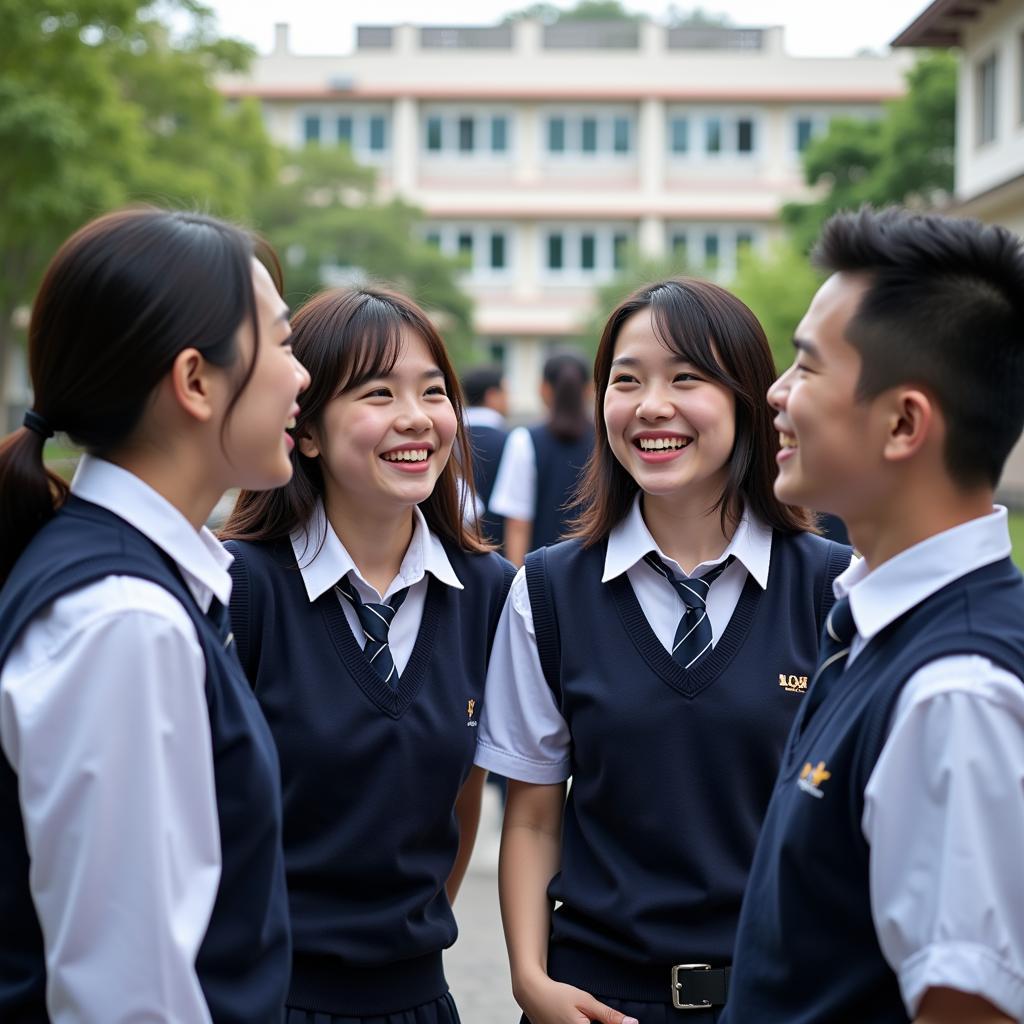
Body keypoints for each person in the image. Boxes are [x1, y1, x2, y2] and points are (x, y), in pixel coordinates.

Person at [476, 278, 852, 1024]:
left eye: (687, 377)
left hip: (777, 998)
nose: (651, 405)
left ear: (748, 398)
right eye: (626, 380)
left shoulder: (833, 590)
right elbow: (533, 814)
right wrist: (528, 979)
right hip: (592, 1001)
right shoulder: (549, 591)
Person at [0, 208, 309, 1021]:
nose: (301, 374)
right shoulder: (126, 622)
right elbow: (125, 996)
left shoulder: (139, 589)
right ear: (195, 381)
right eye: (281, 342)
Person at [723, 208, 1024, 1024]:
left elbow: (968, 1008)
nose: (777, 394)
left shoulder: (955, 691)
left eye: (808, 367)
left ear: (903, 423)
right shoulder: (874, 623)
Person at [220, 286, 515, 1024]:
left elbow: (466, 792)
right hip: (266, 1000)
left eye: (434, 392)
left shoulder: (490, 593)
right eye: (378, 393)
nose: (416, 418)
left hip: (419, 1001)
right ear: (308, 430)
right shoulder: (239, 588)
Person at [489, 350, 595, 565]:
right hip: (602, 573)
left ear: (543, 389)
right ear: (590, 389)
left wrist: (519, 579)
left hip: (543, 576)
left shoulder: (524, 439)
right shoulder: (608, 441)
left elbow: (518, 523)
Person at [461, 363, 509, 550]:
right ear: (492, 395)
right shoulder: (510, 441)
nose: (508, 399)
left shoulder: (447, 439)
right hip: (499, 550)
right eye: (505, 392)